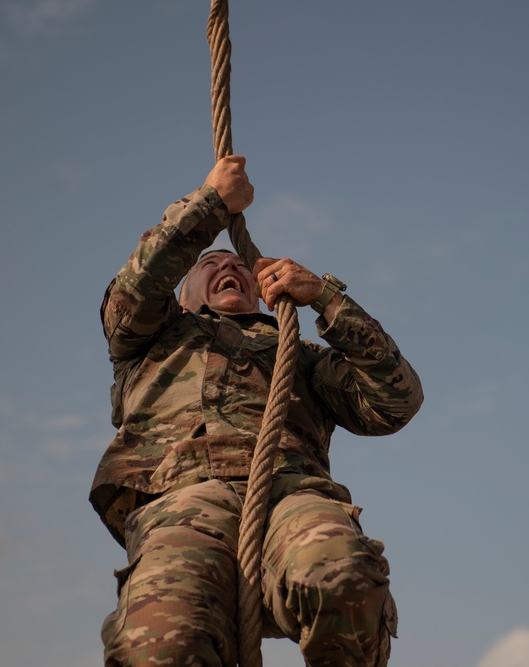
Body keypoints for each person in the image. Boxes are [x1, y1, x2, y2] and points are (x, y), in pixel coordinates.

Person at [90, 154, 424, 667]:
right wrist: (210, 206)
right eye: (210, 266)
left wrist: (326, 301)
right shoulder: (150, 338)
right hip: (185, 498)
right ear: (182, 295)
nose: (228, 267)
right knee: (161, 639)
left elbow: (395, 401)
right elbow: (135, 291)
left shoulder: (302, 356)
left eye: (238, 267)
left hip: (291, 494)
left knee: (342, 573)